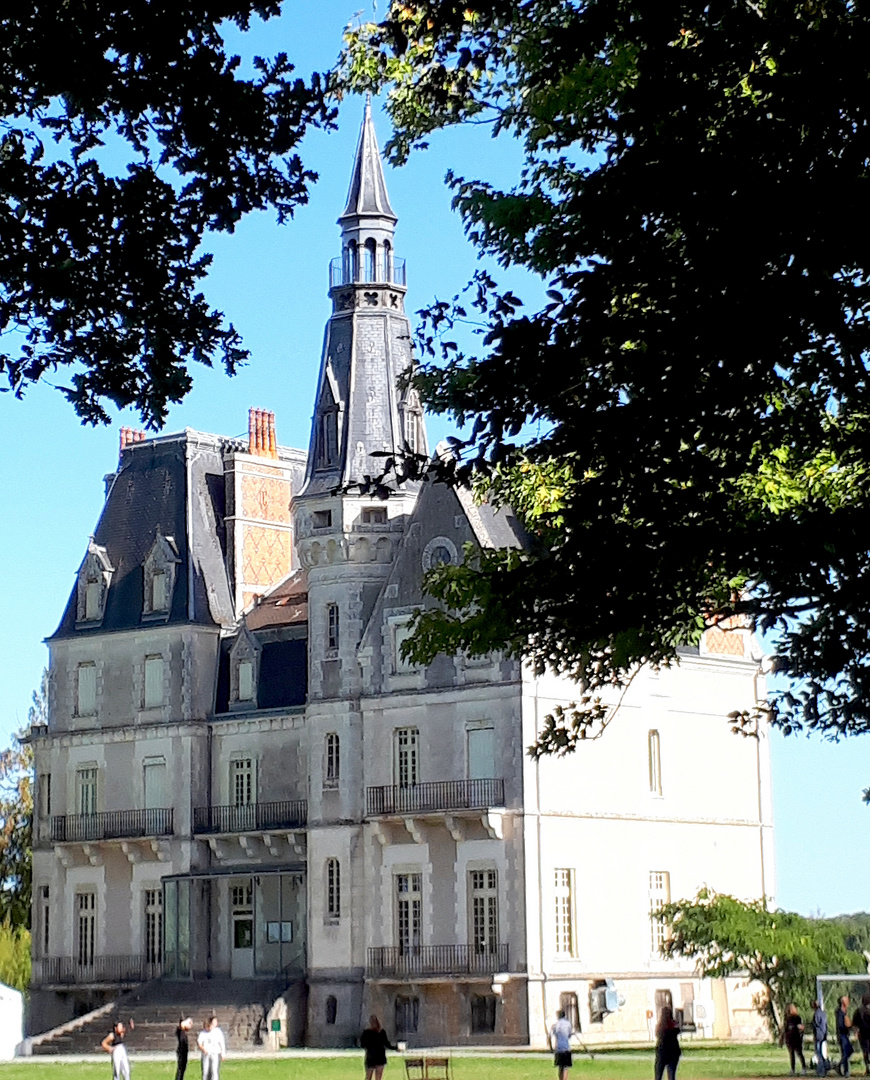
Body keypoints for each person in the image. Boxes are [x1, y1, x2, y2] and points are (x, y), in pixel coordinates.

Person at [360, 1015, 396, 1080]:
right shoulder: (367, 1032)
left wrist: (396, 1048)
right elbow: (363, 1044)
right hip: (372, 1057)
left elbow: (387, 1044)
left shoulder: (380, 1032)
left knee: (374, 1077)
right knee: (370, 1077)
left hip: (378, 1057)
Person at [655, 1006, 681, 1080]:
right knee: (671, 1075)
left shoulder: (660, 1026)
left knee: (658, 1075)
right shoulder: (673, 1025)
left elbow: (657, 1035)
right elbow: (678, 1030)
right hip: (673, 1052)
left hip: (662, 1052)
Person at [197, 1015, 226, 1080]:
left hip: (215, 1053)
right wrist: (203, 1049)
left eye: (210, 1026)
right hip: (206, 1054)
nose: (209, 1028)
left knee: (214, 1070)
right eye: (207, 1027)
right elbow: (199, 1043)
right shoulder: (203, 1033)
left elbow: (221, 1042)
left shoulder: (217, 1031)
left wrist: (223, 1053)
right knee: (205, 1071)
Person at [781, 1004, 807, 1075]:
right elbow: (785, 1029)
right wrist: (783, 1037)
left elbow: (801, 1026)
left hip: (796, 1038)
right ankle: (792, 1069)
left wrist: (800, 1028)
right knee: (791, 1054)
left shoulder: (797, 1018)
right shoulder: (787, 1019)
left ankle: (804, 1068)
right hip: (789, 1038)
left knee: (799, 1053)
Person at [549, 1008, 573, 1080]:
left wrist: (551, 1047)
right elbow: (569, 1035)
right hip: (566, 1048)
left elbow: (552, 1035)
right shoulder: (568, 1024)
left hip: (559, 1048)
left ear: (558, 1016)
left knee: (560, 1067)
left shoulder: (556, 1025)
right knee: (566, 1067)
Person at [851, 994, 870, 1077]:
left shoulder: (858, 1011)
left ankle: (867, 1067)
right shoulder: (868, 1011)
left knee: (865, 1052)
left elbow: (854, 1024)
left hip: (862, 1034)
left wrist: (855, 1033)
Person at [812, 1001, 830, 1077]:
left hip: (818, 1035)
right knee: (821, 1053)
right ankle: (826, 1065)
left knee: (818, 1053)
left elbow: (816, 1025)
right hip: (824, 1035)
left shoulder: (816, 1014)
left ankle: (821, 1070)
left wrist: (815, 1035)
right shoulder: (823, 1013)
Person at [837, 996, 854, 1078]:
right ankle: (846, 1071)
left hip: (846, 1035)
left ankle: (840, 1064)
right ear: (843, 1002)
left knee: (850, 1051)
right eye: (847, 1001)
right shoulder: (839, 1012)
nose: (848, 1002)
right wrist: (848, 1026)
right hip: (842, 1035)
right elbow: (840, 1025)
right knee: (845, 1053)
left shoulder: (845, 1011)